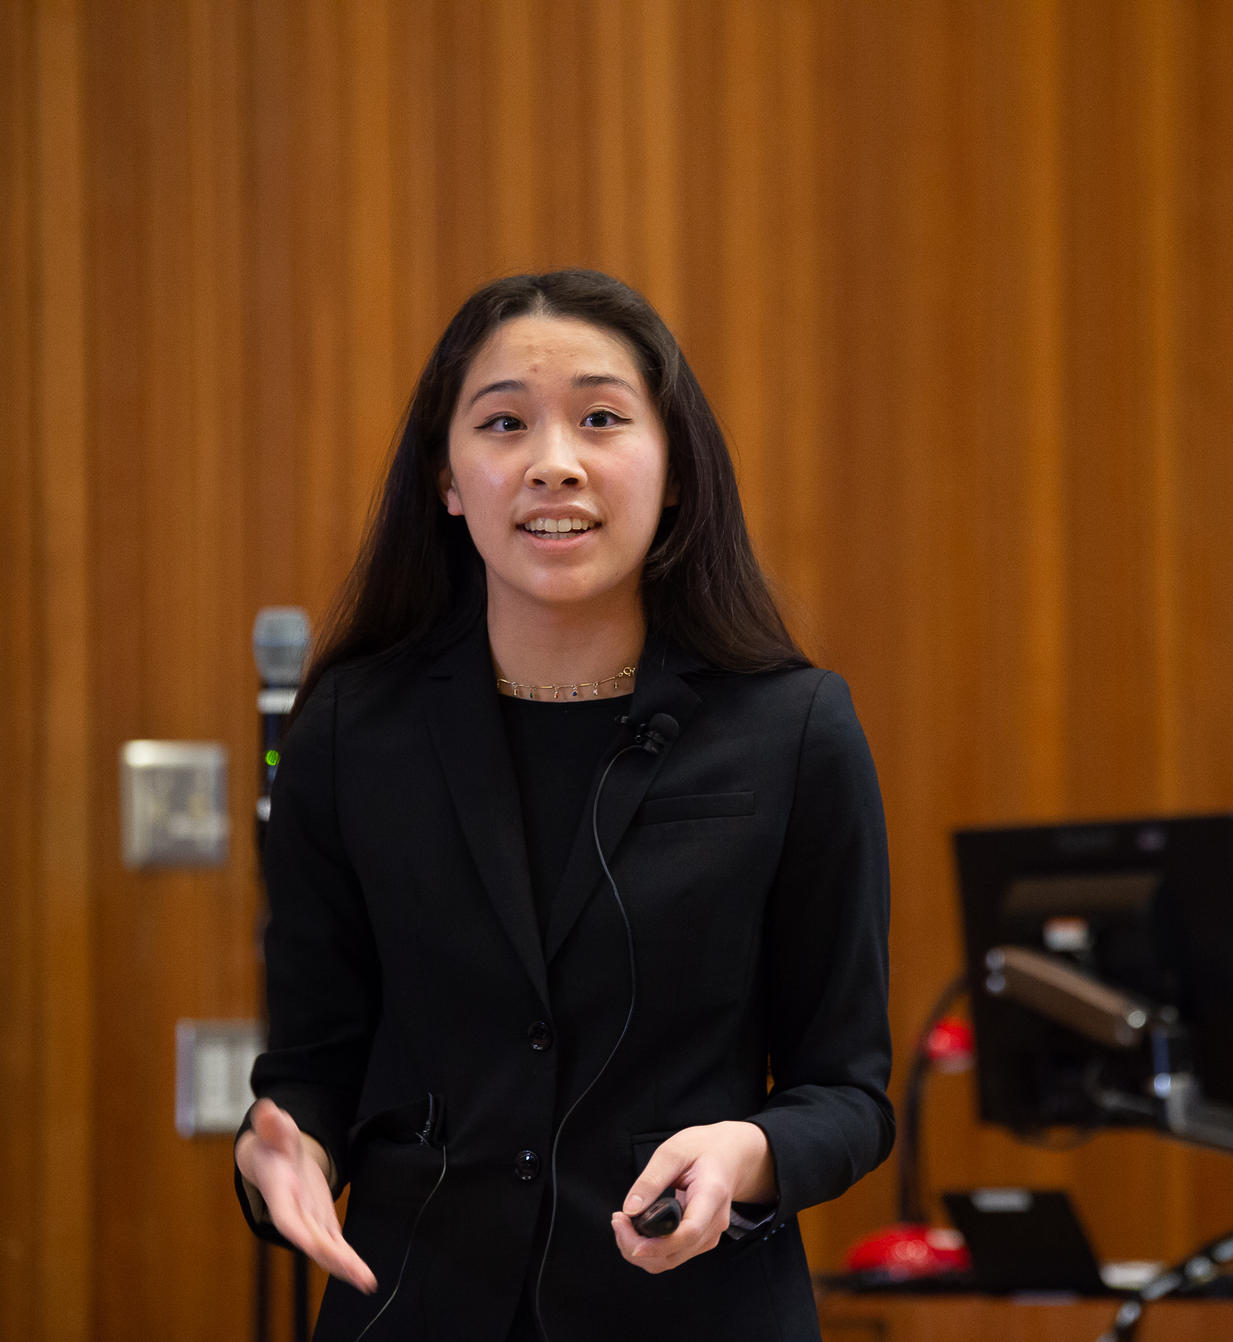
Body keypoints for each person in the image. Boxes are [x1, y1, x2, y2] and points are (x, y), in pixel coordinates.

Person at [233, 269, 894, 1341]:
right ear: (448, 479)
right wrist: (284, 1153)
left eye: (600, 418)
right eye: (502, 423)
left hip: (692, 1311)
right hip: (412, 1308)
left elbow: (847, 1092)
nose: (553, 462)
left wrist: (748, 1153)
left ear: (672, 466)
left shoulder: (795, 730)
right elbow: (314, 1065)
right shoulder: (353, 730)